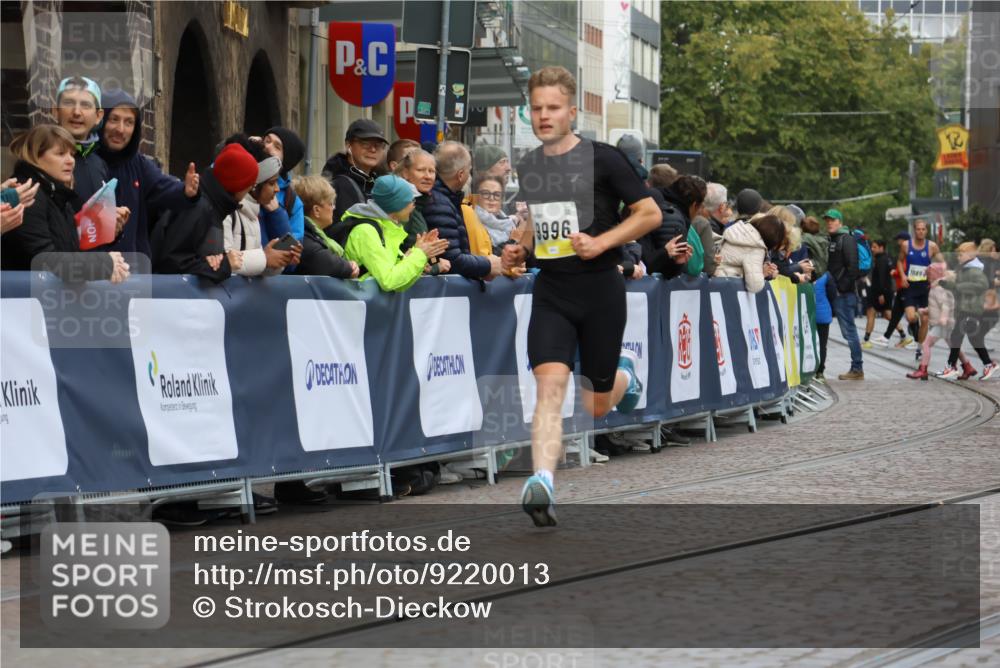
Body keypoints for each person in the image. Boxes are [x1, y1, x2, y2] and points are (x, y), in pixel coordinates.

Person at [502, 66, 661, 527]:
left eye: (553, 108)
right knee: (549, 389)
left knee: (594, 402)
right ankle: (543, 482)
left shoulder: (605, 159)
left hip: (600, 291)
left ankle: (625, 380)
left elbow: (649, 213)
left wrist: (604, 242)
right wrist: (519, 248)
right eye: (536, 108)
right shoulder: (530, 165)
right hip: (552, 291)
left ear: (572, 111)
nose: (544, 116)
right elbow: (537, 227)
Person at [3, 125, 129, 282]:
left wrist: (105, 229)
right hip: (23, 300)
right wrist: (104, 264)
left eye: (72, 154)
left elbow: (70, 250)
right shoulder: (28, 195)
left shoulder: (58, 196)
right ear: (36, 156)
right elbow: (45, 260)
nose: (70, 161)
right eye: (60, 154)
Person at [98, 88, 199, 259]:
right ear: (99, 119)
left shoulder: (138, 164)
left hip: (132, 272)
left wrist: (186, 191)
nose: (121, 129)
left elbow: (164, 187)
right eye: (114, 119)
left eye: (129, 122)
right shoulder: (84, 162)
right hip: (95, 270)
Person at [152, 142, 255, 281]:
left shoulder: (214, 206)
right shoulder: (199, 206)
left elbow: (198, 257)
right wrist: (224, 265)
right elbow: (173, 262)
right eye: (250, 185)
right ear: (237, 185)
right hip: (172, 298)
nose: (251, 189)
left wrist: (217, 261)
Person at [341, 174, 449, 292]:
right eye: (411, 200)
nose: (414, 204)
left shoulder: (386, 228)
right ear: (397, 204)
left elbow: (400, 285)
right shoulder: (366, 231)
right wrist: (420, 254)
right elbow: (389, 282)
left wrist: (416, 253)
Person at [423, 141, 501, 280]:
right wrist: (488, 264)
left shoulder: (445, 199)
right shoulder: (440, 204)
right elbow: (453, 259)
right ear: (460, 175)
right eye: (469, 170)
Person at [223, 145, 301, 277]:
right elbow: (223, 262)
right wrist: (265, 257)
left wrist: (278, 259)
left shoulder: (253, 212)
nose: (277, 189)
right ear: (254, 185)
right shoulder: (226, 211)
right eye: (272, 183)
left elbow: (253, 269)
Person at [939, 242, 998, 380]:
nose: (958, 257)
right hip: (966, 309)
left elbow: (982, 285)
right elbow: (957, 286)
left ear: (970, 255)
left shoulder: (975, 270)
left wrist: (960, 286)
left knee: (956, 336)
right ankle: (988, 364)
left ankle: (951, 366)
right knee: (974, 338)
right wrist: (945, 283)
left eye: (961, 254)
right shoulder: (965, 269)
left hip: (971, 310)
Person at [906, 262, 970, 380]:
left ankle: (923, 370)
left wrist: (943, 317)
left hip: (942, 323)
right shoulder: (936, 286)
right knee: (954, 346)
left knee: (926, 344)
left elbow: (945, 304)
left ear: (936, 274)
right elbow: (936, 306)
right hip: (945, 322)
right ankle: (968, 367)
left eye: (929, 274)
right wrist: (926, 310)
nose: (927, 276)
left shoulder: (939, 288)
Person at [392, 148, 450, 276]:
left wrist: (435, 262)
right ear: (406, 173)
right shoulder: (401, 206)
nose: (428, 176)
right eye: (420, 170)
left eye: (431, 171)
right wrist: (436, 268)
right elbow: (395, 256)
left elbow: (426, 252)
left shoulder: (418, 204)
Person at [52, 76, 109, 203]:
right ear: (56, 111)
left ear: (98, 116)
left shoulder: (99, 164)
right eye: (68, 103)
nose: (77, 112)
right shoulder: (42, 159)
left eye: (85, 105)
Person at [322, 119, 388, 226]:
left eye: (379, 145)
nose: (373, 149)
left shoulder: (377, 182)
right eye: (365, 143)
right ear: (348, 145)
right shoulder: (339, 184)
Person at [291, 175, 359, 279]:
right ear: (316, 210)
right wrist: (349, 267)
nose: (334, 208)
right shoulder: (304, 236)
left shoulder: (309, 233)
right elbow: (322, 261)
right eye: (331, 203)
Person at [825, 209, 864, 380]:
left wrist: (841, 287)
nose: (829, 223)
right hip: (837, 292)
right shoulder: (833, 239)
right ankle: (856, 368)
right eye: (827, 220)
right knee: (846, 331)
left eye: (833, 220)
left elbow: (853, 267)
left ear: (840, 222)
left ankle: (857, 368)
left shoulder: (846, 239)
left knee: (849, 331)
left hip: (844, 294)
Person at [889, 219, 939, 349]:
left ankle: (921, 347)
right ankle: (916, 332)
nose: (921, 231)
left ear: (926, 231)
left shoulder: (932, 246)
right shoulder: (906, 245)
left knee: (925, 320)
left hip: (925, 287)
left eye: (923, 229)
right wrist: (903, 275)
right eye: (918, 229)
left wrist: (935, 278)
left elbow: (941, 263)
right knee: (911, 318)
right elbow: (900, 261)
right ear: (914, 230)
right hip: (910, 286)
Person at [714, 213, 787, 293]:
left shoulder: (740, 229)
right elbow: (755, 286)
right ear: (774, 239)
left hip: (716, 278)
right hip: (725, 288)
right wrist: (763, 274)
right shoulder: (756, 247)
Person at [260, 126, 306, 242]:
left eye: (277, 147)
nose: (268, 146)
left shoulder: (292, 201)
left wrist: (277, 213)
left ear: (286, 160)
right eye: (267, 140)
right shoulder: (242, 173)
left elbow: (291, 250)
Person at [862, 239, 895, 349]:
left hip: (880, 292)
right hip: (885, 291)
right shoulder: (886, 258)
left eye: (875, 247)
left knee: (871, 313)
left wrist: (881, 293)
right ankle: (904, 335)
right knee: (887, 314)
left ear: (881, 248)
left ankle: (866, 340)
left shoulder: (881, 260)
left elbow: (881, 278)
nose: (872, 249)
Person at [813, 271, 833, 381]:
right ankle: (820, 371)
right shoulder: (826, 276)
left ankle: (809, 369)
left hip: (807, 314)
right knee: (822, 344)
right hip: (822, 314)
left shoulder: (802, 272)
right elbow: (832, 294)